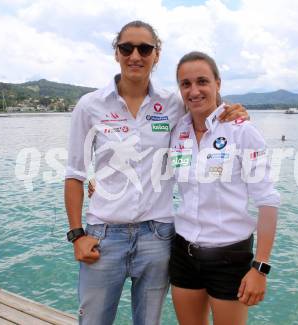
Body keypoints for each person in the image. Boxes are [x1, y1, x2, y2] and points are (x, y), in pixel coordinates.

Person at [64, 21, 248, 325]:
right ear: (117, 53)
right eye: (127, 48)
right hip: (104, 236)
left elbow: (206, 106)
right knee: (93, 320)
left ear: (156, 54)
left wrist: (235, 112)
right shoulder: (89, 105)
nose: (135, 55)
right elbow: (75, 173)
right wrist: (76, 236)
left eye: (144, 48)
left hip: (158, 236)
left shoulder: (173, 103)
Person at [168, 51, 280, 325]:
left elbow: (268, 202)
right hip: (183, 252)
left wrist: (260, 268)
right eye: (185, 84)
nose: (194, 90)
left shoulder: (241, 131)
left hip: (229, 256)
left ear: (217, 83)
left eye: (202, 81)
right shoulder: (177, 130)